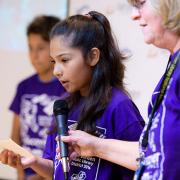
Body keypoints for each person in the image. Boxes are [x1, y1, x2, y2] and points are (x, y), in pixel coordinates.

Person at [0, 11, 144, 180]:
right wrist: (33, 162)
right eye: (54, 61)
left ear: (93, 56)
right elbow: (56, 169)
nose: (56, 71)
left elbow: (146, 161)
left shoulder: (119, 106)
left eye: (65, 60)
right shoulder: (64, 106)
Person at [60, 0, 180, 179]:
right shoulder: (174, 62)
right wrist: (94, 146)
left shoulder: (118, 104)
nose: (134, 14)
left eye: (141, 4)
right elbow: (154, 152)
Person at [8, 15, 65, 180]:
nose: (34, 55)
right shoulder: (23, 87)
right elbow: (16, 136)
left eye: (40, 48)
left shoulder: (66, 87)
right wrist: (20, 174)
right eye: (30, 48)